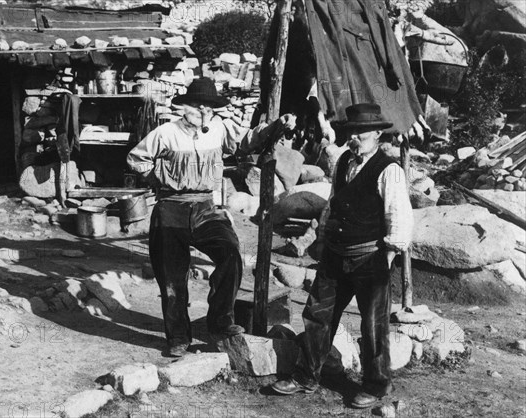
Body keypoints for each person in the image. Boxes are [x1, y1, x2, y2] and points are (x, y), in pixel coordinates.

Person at [127, 78, 295, 357]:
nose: (203, 109)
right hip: (171, 206)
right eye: (197, 104)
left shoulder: (219, 129)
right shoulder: (165, 133)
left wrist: (278, 125)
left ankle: (220, 323)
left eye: (208, 105)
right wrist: (159, 177)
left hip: (206, 207)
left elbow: (248, 140)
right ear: (185, 106)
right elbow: (136, 159)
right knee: (171, 277)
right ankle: (179, 337)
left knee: (230, 253)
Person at [271, 103, 414, 409]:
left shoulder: (389, 170)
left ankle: (375, 385)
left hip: (370, 259)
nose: (353, 138)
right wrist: (321, 241)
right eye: (351, 132)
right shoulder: (344, 162)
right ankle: (306, 375)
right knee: (317, 315)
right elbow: (333, 205)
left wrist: (385, 260)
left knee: (373, 326)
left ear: (377, 133)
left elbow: (399, 220)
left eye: (361, 132)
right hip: (335, 256)